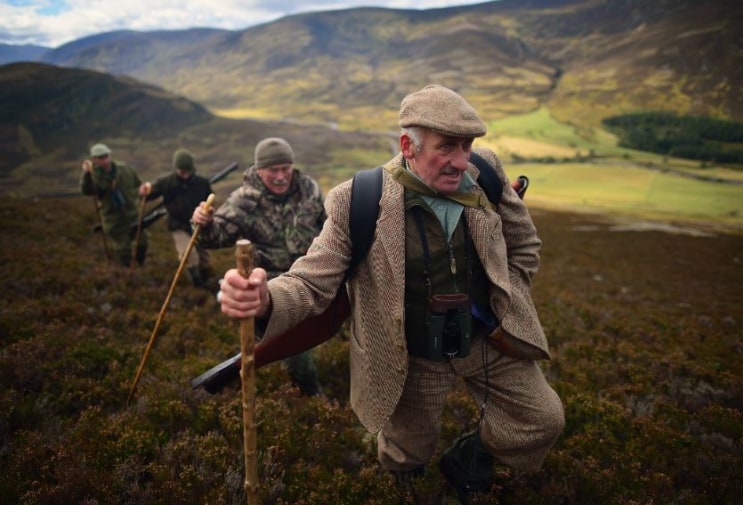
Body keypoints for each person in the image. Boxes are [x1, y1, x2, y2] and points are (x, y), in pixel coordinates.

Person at [218, 85, 565, 501]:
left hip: (486, 338)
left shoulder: (485, 171)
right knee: (405, 454)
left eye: (468, 145)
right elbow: (311, 281)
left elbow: (524, 245)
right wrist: (265, 300)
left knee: (541, 421)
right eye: (447, 147)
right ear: (408, 146)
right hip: (410, 354)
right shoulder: (359, 199)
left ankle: (469, 459)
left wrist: (507, 298)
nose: (461, 160)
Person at [192, 137, 325, 397]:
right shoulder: (244, 200)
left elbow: (329, 226)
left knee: (294, 345)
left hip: (310, 282)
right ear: (259, 170)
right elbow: (213, 237)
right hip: (268, 290)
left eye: (285, 168)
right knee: (291, 352)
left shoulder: (309, 188)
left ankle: (291, 391)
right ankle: (311, 397)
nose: (280, 176)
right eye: (273, 170)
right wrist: (203, 223)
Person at [139, 148, 213, 288]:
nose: (185, 175)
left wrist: (208, 214)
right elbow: (149, 194)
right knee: (188, 255)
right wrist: (145, 192)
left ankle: (208, 281)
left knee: (205, 258)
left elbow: (209, 199)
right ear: (176, 169)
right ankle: (197, 284)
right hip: (178, 224)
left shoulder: (202, 183)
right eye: (181, 171)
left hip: (198, 225)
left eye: (187, 171)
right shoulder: (166, 182)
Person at [80, 142, 148, 266]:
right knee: (123, 250)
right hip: (113, 219)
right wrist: (86, 174)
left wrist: (142, 190)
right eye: (101, 158)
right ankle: (126, 273)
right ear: (94, 160)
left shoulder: (125, 170)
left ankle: (140, 265)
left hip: (132, 215)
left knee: (142, 242)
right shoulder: (93, 176)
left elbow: (138, 185)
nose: (105, 161)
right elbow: (87, 190)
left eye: (107, 156)